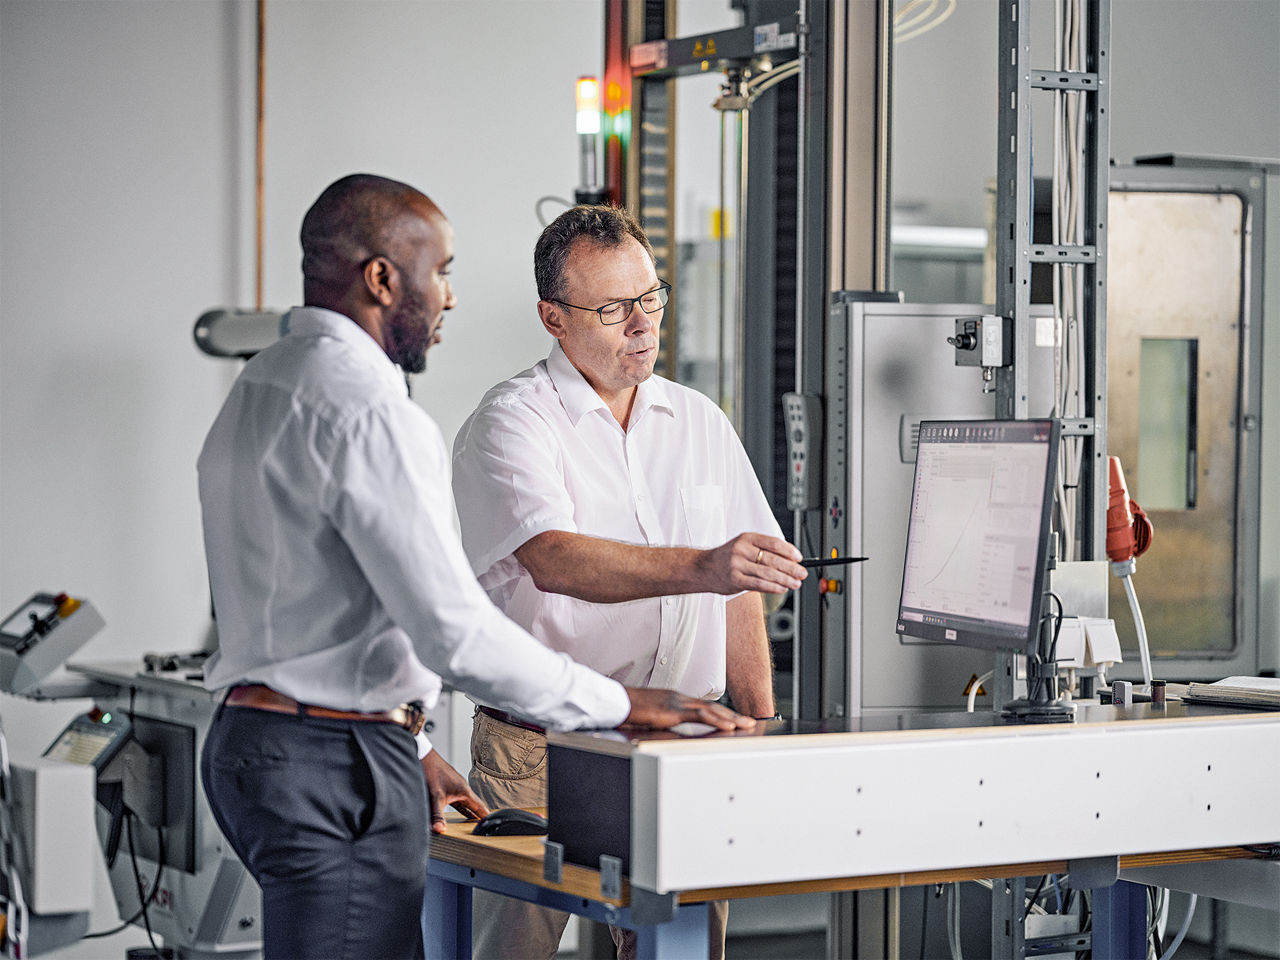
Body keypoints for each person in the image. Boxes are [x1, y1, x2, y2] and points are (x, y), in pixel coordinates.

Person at [196, 175, 753, 960]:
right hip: (335, 759)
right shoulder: (373, 410)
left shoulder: (264, 382)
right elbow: (453, 629)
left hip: (274, 744)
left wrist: (412, 744)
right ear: (384, 278)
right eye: (442, 271)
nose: (451, 297)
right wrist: (621, 704)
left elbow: (330, 601)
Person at [451, 204, 807, 960]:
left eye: (651, 299)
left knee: (678, 948)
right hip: (541, 751)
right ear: (554, 317)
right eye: (613, 309)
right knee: (513, 951)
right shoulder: (512, 423)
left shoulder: (699, 420)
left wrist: (763, 727)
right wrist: (703, 564)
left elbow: (741, 587)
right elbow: (555, 558)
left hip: (682, 741)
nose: (642, 325)